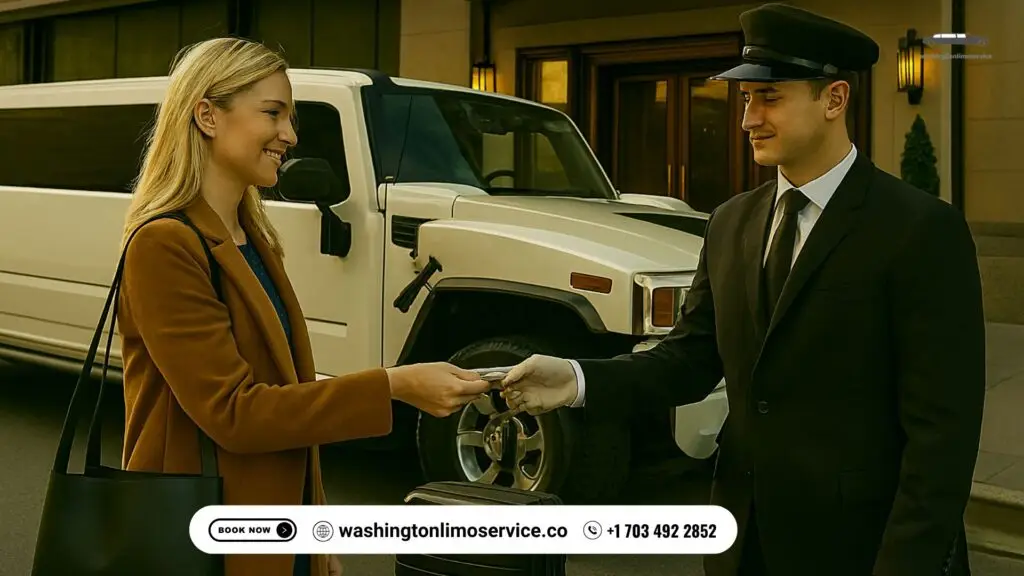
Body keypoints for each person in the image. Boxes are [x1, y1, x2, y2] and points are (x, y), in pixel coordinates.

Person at [500, 4, 985, 576]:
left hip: (858, 548)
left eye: (770, 97)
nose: (748, 118)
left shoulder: (919, 229)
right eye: (746, 99)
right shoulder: (730, 221)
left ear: (833, 100)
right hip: (743, 541)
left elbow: (942, 441)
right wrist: (577, 378)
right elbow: (689, 359)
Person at [117, 38, 490, 576]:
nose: (289, 135)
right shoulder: (165, 244)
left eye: (290, 117)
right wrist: (394, 384)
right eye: (272, 113)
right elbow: (237, 414)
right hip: (200, 543)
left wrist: (313, 535)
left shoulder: (252, 236)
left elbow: (288, 402)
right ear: (206, 116)